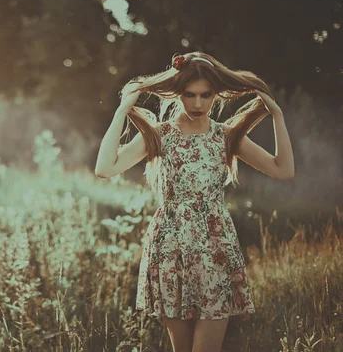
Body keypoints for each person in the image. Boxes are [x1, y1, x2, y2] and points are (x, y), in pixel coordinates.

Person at [94, 52, 295, 352]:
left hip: (216, 249)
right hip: (170, 248)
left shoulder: (226, 137)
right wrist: (122, 111)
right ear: (178, 93)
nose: (198, 104)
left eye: (206, 95)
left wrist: (277, 115)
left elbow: (283, 170)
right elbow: (104, 168)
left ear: (216, 95)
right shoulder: (162, 135)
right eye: (189, 95)